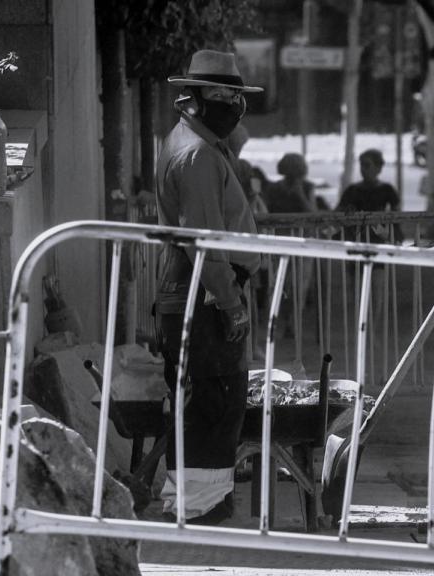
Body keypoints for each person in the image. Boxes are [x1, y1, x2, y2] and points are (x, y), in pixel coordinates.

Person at [153, 49, 262, 524]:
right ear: (192, 100)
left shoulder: (199, 144)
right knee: (211, 400)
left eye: (235, 95)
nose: (232, 104)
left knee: (206, 399)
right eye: (221, 96)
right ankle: (197, 508)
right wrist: (230, 302)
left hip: (199, 289)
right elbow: (205, 239)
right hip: (203, 291)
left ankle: (195, 502)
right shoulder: (196, 153)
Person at [337, 148, 401, 243]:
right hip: (355, 237)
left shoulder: (387, 189)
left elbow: (396, 215)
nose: (363, 169)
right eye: (361, 165)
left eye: (367, 165)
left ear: (378, 168)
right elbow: (339, 211)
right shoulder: (352, 190)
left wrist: (390, 235)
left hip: (379, 236)